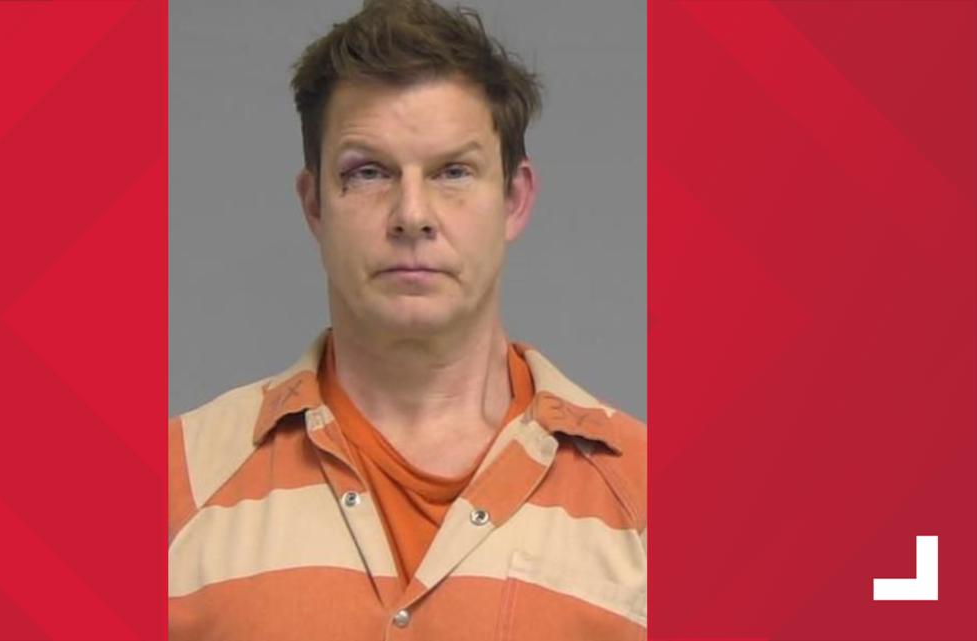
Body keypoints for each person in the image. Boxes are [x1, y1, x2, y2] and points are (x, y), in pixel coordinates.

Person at [168, 0, 646, 638]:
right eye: (368, 172)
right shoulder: (174, 482)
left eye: (454, 172)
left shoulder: (648, 496)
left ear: (514, 199)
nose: (412, 214)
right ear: (315, 207)